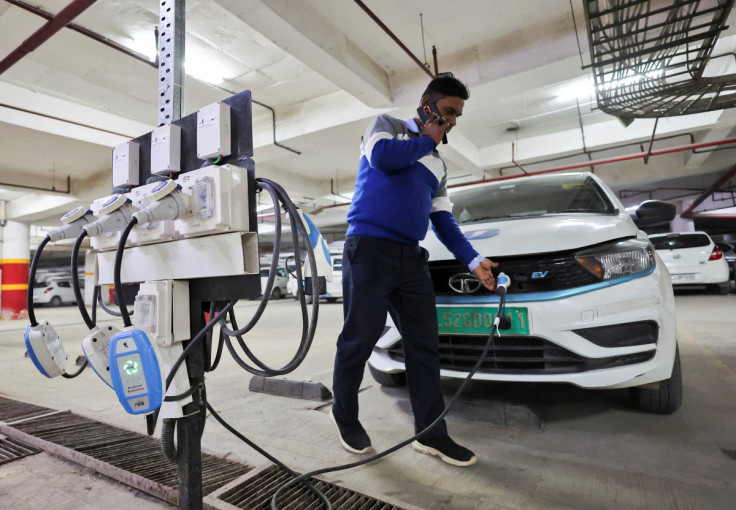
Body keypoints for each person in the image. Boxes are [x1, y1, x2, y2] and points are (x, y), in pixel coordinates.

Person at [330, 73, 498, 467]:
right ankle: (346, 419)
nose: (453, 121)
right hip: (368, 250)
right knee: (358, 339)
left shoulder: (438, 166)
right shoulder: (387, 127)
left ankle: (431, 434)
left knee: (424, 346)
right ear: (427, 104)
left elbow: (443, 221)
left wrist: (473, 260)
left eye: (457, 116)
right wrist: (426, 138)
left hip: (410, 259)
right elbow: (382, 159)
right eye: (448, 111)